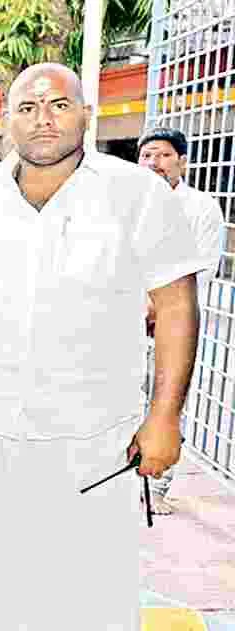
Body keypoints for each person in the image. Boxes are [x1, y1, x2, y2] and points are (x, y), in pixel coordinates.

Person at [0, 64, 204, 631]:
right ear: (7, 122)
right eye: (27, 107)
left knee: (86, 587)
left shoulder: (137, 195)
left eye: (58, 104)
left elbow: (176, 305)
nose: (42, 118)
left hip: (93, 434)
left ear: (86, 115)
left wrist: (164, 417)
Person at [138, 126, 225, 514]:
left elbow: (204, 267)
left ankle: (157, 488)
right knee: (122, 401)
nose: (154, 163)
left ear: (182, 162)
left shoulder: (201, 208)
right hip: (125, 320)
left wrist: (159, 307)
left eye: (163, 155)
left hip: (173, 324)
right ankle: (120, 482)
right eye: (146, 155)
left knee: (167, 402)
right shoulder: (128, 204)